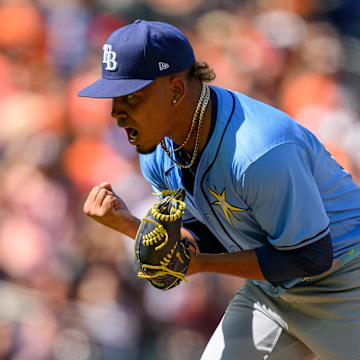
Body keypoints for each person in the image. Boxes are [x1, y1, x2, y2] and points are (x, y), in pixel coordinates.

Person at [79, 19, 360, 360]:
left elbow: (311, 256)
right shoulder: (157, 150)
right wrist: (131, 227)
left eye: (131, 99)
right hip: (272, 292)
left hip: (347, 281)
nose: (117, 114)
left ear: (175, 91)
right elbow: (204, 233)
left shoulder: (257, 151)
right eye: (113, 99)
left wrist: (198, 264)